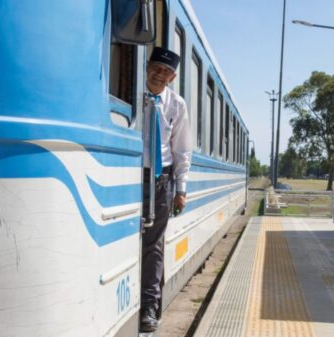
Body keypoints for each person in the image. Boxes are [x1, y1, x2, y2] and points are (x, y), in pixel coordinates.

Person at [140, 47, 192, 333]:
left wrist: (181, 189)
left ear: (173, 77)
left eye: (166, 72)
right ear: (147, 66)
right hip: (130, 175)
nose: (160, 75)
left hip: (162, 179)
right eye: (156, 68)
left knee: (154, 246)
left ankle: (149, 306)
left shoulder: (176, 104)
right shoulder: (133, 93)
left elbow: (182, 149)